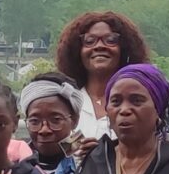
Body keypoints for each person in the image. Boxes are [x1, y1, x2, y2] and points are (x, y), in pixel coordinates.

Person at [55, 11, 152, 145]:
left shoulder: (140, 102)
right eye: (89, 41)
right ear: (77, 51)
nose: (99, 46)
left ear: (124, 48)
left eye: (110, 40)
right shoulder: (65, 103)